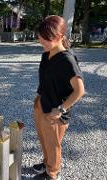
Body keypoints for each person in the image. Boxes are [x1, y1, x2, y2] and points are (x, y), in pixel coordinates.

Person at [33, 15, 85, 180]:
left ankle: (52, 173)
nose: (42, 41)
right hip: (43, 105)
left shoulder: (67, 60)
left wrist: (61, 109)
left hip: (56, 112)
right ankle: (46, 162)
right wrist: (38, 97)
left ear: (60, 37)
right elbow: (46, 79)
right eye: (41, 37)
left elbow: (80, 90)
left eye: (46, 39)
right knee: (43, 139)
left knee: (53, 144)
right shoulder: (46, 54)